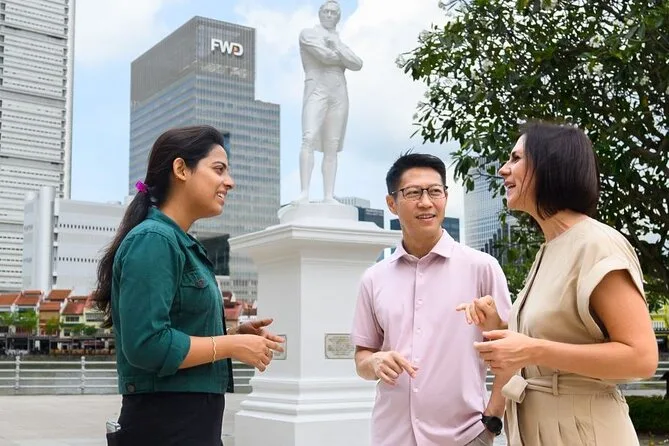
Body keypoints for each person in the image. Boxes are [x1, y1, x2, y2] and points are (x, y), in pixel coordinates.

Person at [459, 122, 659, 445]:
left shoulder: (597, 244)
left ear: (549, 165)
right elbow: (550, 342)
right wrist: (497, 325)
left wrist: (531, 349)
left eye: (516, 159)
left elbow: (642, 357)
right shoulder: (550, 249)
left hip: (583, 431)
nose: (503, 169)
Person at [93, 125, 284, 446]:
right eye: (219, 169)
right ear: (181, 169)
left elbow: (175, 328)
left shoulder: (179, 243)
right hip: (166, 426)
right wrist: (230, 346)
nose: (230, 182)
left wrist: (233, 336)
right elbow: (146, 344)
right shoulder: (154, 240)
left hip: (189, 424)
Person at [351, 153, 513, 446]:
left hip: (464, 436)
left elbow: (512, 350)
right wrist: (374, 362)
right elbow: (362, 357)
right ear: (391, 203)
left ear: (445, 197)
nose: (426, 202)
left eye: (434, 191)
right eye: (413, 193)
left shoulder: (482, 267)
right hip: (392, 436)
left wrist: (492, 419)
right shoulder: (374, 278)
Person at [294, 0, 363, 204]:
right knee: (308, 137)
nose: (329, 15)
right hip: (317, 89)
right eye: (326, 11)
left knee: (332, 145)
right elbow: (324, 56)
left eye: (334, 12)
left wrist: (338, 47)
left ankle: (328, 195)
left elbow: (357, 64)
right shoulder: (308, 34)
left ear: (338, 17)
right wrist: (342, 56)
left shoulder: (338, 41)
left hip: (338, 92)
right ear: (320, 13)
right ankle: (304, 192)